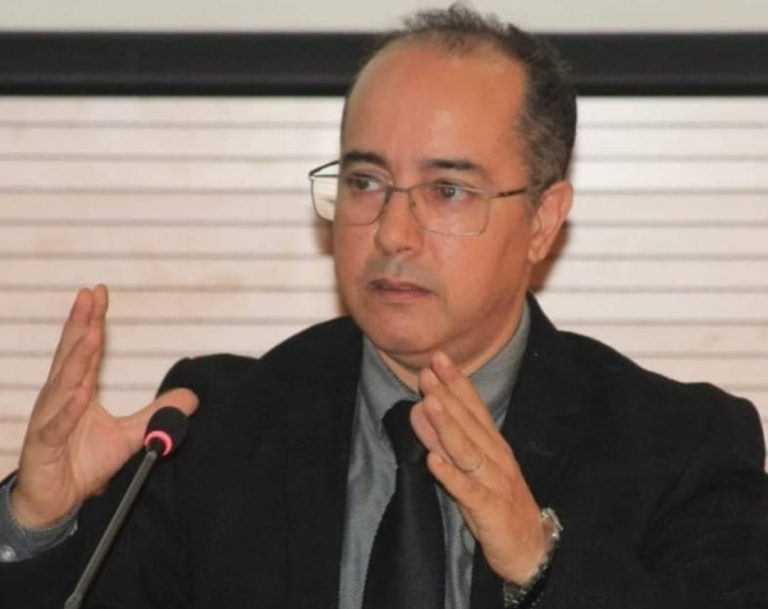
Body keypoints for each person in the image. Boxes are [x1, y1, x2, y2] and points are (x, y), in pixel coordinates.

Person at [1, 5, 767, 609]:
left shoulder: (682, 448)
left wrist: (540, 561)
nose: (393, 232)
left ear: (542, 219)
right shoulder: (215, 427)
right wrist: (37, 525)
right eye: (365, 182)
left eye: (448, 190)